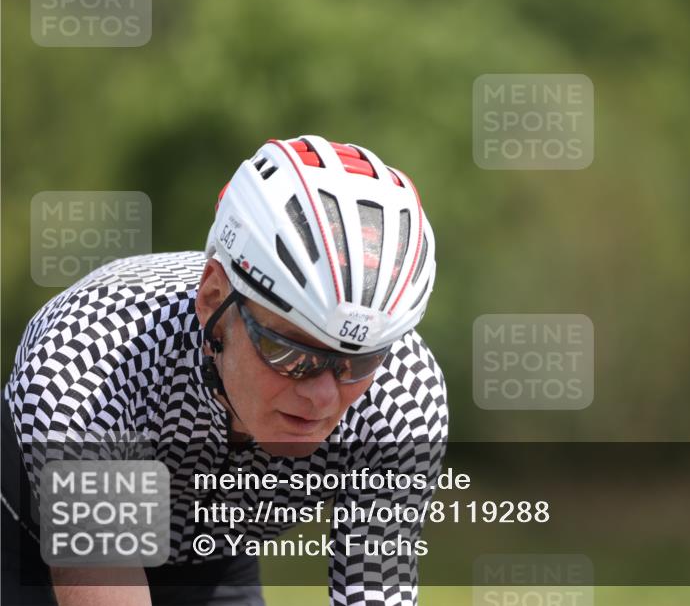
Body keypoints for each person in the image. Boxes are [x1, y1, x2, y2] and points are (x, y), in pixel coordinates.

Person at [2, 136, 448, 605]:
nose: (321, 397)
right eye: (291, 353)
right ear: (214, 298)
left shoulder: (403, 399)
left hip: (211, 553)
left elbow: (373, 591)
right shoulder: (92, 362)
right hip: (29, 538)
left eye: (359, 363)